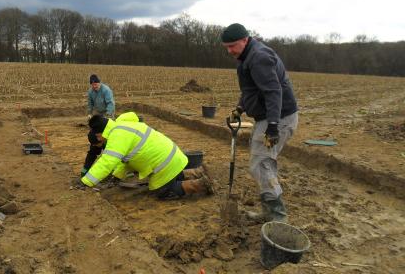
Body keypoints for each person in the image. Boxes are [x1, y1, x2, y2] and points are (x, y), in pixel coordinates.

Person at [221, 23, 298, 223]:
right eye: (226, 47)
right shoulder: (246, 56)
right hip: (268, 117)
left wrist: (273, 127)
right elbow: (251, 90)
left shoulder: (259, 57)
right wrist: (240, 108)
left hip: (279, 118)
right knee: (261, 162)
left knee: (261, 163)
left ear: (245, 40)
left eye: (233, 46)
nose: (229, 51)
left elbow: (273, 92)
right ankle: (269, 212)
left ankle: (278, 218)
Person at [81, 112, 214, 199]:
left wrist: (86, 181)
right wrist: (117, 176)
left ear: (99, 134)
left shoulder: (117, 136)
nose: (102, 143)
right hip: (171, 156)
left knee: (164, 192)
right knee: (171, 176)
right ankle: (198, 171)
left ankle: (201, 184)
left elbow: (107, 161)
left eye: (99, 140)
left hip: (164, 162)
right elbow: (125, 161)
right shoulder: (122, 127)